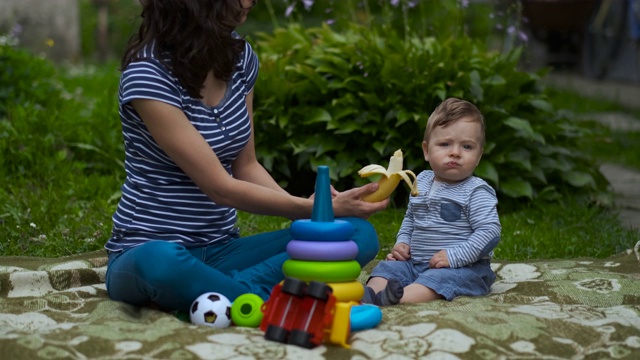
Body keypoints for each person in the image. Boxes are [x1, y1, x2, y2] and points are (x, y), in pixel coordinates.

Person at [104, 0, 389, 313]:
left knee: (356, 234)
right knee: (158, 262)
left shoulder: (239, 57)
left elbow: (246, 165)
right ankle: (258, 296)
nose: (249, 1)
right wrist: (309, 207)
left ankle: (231, 295)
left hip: (223, 250)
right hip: (146, 251)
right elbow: (219, 187)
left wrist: (312, 218)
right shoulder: (148, 74)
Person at [363, 98, 501, 306]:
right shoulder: (422, 181)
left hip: (462, 268)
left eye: (467, 146)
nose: (455, 152)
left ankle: (396, 298)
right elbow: (411, 218)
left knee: (439, 280)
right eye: (445, 144)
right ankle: (369, 294)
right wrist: (403, 243)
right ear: (427, 150)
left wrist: (455, 257)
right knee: (389, 268)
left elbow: (490, 232)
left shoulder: (475, 190)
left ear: (479, 156)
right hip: (416, 262)